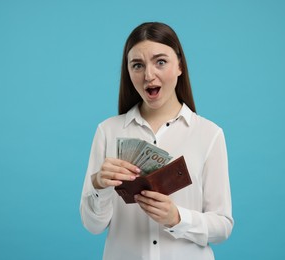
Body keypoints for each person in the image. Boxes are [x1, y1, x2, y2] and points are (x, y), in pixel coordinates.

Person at [80, 22, 233, 260]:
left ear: (180, 65)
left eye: (160, 62)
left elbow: (222, 226)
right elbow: (93, 226)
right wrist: (99, 185)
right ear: (128, 71)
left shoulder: (209, 134)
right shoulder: (107, 131)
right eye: (138, 65)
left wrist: (177, 218)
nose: (149, 75)